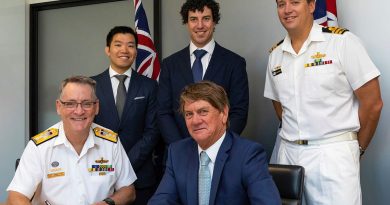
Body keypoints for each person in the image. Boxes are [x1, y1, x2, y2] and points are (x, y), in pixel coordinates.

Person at [264, 0, 383, 204]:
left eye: (295, 2)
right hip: (288, 156)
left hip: (332, 156)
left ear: (311, 6)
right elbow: (280, 107)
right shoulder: (275, 55)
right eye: (281, 4)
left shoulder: (342, 42)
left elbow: (373, 103)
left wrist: (357, 148)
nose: (287, 9)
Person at [6, 76, 137, 205]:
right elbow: (16, 196)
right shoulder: (39, 146)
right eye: (70, 104)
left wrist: (108, 203)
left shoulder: (111, 142)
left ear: (96, 107)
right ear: (58, 107)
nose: (79, 111)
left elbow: (128, 191)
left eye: (86, 104)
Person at [149, 81, 281, 205]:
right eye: (189, 114)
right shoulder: (178, 152)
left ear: (224, 113)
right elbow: (161, 200)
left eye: (203, 112)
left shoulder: (248, 154)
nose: (195, 121)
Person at [158, 0, 249, 146]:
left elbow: (239, 112)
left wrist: (217, 146)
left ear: (214, 22)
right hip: (178, 154)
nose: (200, 25)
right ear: (187, 23)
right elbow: (163, 113)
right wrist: (182, 148)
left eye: (206, 18)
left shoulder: (234, 63)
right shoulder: (170, 64)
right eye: (193, 19)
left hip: (221, 154)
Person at [91, 26, 160, 205]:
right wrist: (111, 165)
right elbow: (87, 128)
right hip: (100, 174)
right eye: (118, 44)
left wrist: (125, 164)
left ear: (136, 51)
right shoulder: (91, 85)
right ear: (108, 50)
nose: (124, 50)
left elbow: (152, 131)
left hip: (141, 177)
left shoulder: (149, 86)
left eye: (130, 45)